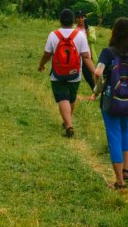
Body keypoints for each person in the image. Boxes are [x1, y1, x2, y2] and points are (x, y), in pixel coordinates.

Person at [89, 17, 128, 189]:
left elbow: (98, 72)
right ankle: (127, 170)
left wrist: (97, 90)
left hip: (111, 101)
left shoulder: (108, 52)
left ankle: (119, 181)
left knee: (113, 135)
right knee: (125, 129)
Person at [38, 8, 94, 137]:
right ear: (73, 20)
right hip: (75, 74)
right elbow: (86, 57)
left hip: (58, 74)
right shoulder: (80, 35)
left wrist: (41, 65)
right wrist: (94, 72)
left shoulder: (54, 35)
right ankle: (67, 120)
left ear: (60, 20)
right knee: (71, 97)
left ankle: (68, 125)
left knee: (63, 98)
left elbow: (47, 54)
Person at [75, 10, 96, 92]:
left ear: (85, 18)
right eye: (79, 18)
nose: (80, 20)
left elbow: (93, 40)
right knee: (81, 74)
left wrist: (87, 30)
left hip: (87, 55)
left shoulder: (90, 28)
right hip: (76, 55)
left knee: (90, 74)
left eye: (82, 17)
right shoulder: (74, 28)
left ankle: (96, 91)